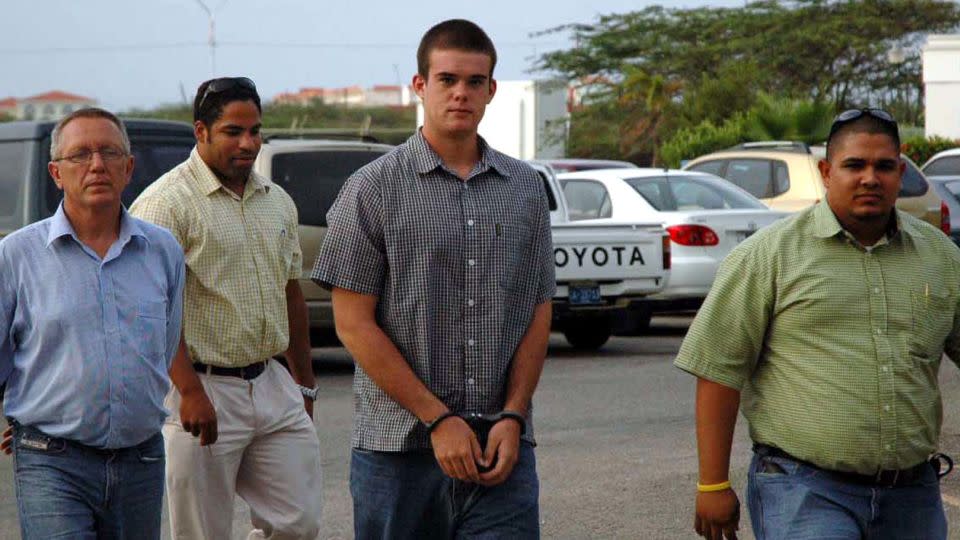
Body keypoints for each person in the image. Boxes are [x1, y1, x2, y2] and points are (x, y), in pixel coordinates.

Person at [312, 18, 554, 539]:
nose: (460, 93)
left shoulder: (526, 190)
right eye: (447, 80)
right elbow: (353, 324)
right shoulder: (371, 189)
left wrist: (514, 417)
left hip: (502, 451)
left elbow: (537, 311)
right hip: (398, 454)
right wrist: (438, 419)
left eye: (474, 81)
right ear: (420, 86)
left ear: (492, 89)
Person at [675, 108, 960, 540]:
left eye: (884, 166)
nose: (870, 178)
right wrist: (712, 484)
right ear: (827, 172)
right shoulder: (769, 255)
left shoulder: (941, 258)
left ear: (900, 173)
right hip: (804, 489)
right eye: (854, 165)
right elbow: (718, 369)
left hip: (913, 496)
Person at [130, 77, 322, 539]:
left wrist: (305, 384)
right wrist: (190, 391)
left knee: (299, 524)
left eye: (255, 131)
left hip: (273, 385)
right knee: (203, 532)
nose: (248, 143)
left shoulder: (276, 201)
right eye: (233, 131)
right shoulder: (165, 204)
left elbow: (289, 290)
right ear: (201, 131)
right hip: (202, 388)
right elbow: (148, 310)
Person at [0, 108, 185, 539]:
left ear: (129, 167)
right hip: (52, 459)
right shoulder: (17, 256)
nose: (97, 165)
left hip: (141, 460)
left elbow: (164, 344)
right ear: (56, 172)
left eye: (109, 152)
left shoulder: (163, 251)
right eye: (80, 155)